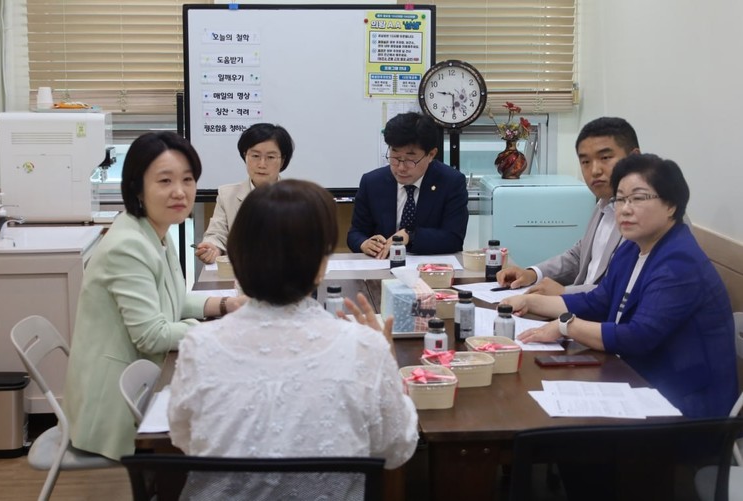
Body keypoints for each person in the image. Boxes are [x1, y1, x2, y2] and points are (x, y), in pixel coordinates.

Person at [168, 180, 418, 497]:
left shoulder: (199, 345)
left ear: (239, 260)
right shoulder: (365, 347)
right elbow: (396, 450)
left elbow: (183, 438)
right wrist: (389, 365)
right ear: (321, 267)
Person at [502, 153, 738, 418]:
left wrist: (567, 326)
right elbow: (598, 301)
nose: (625, 209)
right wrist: (531, 301)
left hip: (686, 406)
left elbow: (639, 337)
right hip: (638, 380)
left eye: (638, 198)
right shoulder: (631, 248)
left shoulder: (679, 262)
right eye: (620, 199)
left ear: (671, 205)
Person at [64, 132, 246, 461]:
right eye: (165, 181)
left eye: (187, 179)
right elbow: (152, 335)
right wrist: (221, 332)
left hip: (138, 381)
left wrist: (226, 305)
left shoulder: (153, 230)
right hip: (115, 406)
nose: (180, 191)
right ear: (137, 188)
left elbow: (173, 300)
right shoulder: (128, 245)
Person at [496, 117, 640, 295]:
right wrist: (532, 274)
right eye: (585, 162)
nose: (595, 170)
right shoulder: (604, 203)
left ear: (634, 158)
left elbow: (623, 290)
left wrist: (564, 293)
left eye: (605, 158)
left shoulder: (648, 217)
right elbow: (579, 256)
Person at [347, 112, 469, 257]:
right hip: (382, 264)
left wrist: (410, 236)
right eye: (395, 158)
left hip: (428, 265)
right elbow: (356, 232)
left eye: (410, 160)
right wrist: (363, 243)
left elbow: (453, 239)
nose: (401, 168)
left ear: (431, 154)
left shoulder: (451, 182)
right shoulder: (372, 182)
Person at [194, 123, 294, 263]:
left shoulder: (297, 197)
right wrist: (213, 247)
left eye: (271, 157)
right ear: (245, 156)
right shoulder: (227, 195)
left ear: (282, 161)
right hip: (240, 272)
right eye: (255, 156)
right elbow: (216, 234)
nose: (262, 164)